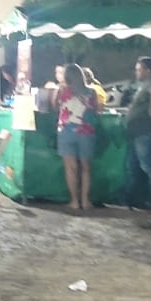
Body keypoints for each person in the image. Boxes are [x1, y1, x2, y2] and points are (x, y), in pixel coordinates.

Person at [112, 57, 151, 209]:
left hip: (147, 132)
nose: (137, 72)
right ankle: (128, 198)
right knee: (133, 168)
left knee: (149, 168)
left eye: (139, 69)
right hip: (138, 133)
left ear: (148, 70)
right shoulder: (145, 85)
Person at [54, 63, 100, 212]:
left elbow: (55, 107)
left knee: (71, 168)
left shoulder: (62, 90)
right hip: (86, 131)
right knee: (86, 168)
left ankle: (74, 201)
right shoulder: (91, 92)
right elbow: (97, 110)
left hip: (66, 131)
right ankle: (85, 201)